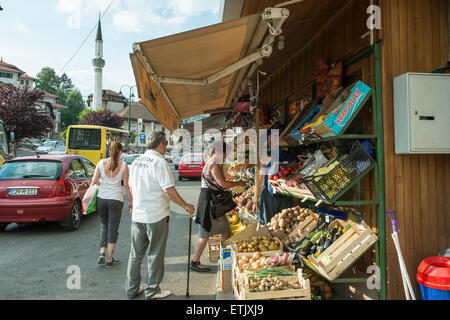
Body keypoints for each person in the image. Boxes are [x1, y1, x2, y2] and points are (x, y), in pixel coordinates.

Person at [125, 131, 195, 300]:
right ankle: (152, 290)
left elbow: (130, 187)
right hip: (155, 215)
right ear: (161, 144)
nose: (166, 147)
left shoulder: (136, 161)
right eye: (165, 144)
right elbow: (168, 190)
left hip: (138, 215)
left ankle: (131, 289)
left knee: (135, 254)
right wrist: (185, 205)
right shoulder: (159, 162)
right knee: (155, 254)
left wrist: (134, 202)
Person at [191, 141, 246, 273]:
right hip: (210, 202)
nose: (227, 156)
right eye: (226, 153)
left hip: (212, 201)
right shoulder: (214, 164)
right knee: (205, 233)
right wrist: (239, 183)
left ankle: (227, 258)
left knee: (225, 230)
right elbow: (223, 184)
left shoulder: (213, 162)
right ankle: (195, 261)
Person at [92, 141, 133, 267]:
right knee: (113, 229)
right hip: (116, 200)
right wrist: (132, 200)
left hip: (102, 199)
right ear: (120, 151)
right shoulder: (124, 165)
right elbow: (126, 185)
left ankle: (102, 252)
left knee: (104, 226)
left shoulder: (101, 163)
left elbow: (94, 181)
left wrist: (103, 184)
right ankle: (110, 259)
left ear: (109, 150)